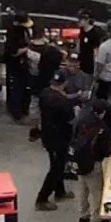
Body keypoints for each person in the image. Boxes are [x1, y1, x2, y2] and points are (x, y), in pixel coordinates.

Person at [35, 75, 77, 211]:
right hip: (58, 139)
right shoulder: (62, 101)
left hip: (48, 136)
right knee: (56, 168)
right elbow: (71, 120)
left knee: (58, 164)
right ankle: (42, 198)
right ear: (64, 84)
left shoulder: (45, 93)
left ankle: (60, 191)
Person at [73, 98, 111, 222]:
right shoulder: (102, 128)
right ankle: (95, 220)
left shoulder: (81, 119)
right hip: (93, 163)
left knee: (82, 189)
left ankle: (83, 215)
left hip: (79, 161)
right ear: (103, 112)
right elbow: (107, 151)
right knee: (96, 192)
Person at [4, 9, 32, 121]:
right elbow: (13, 52)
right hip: (14, 66)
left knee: (25, 88)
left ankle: (24, 108)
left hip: (23, 65)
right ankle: (16, 112)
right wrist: (27, 48)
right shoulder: (12, 33)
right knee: (16, 89)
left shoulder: (24, 30)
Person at [77, 9, 105, 75]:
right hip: (81, 62)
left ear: (87, 20)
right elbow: (79, 44)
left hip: (90, 65)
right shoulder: (82, 30)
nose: (79, 21)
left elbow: (96, 52)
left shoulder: (95, 33)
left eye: (81, 20)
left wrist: (96, 69)